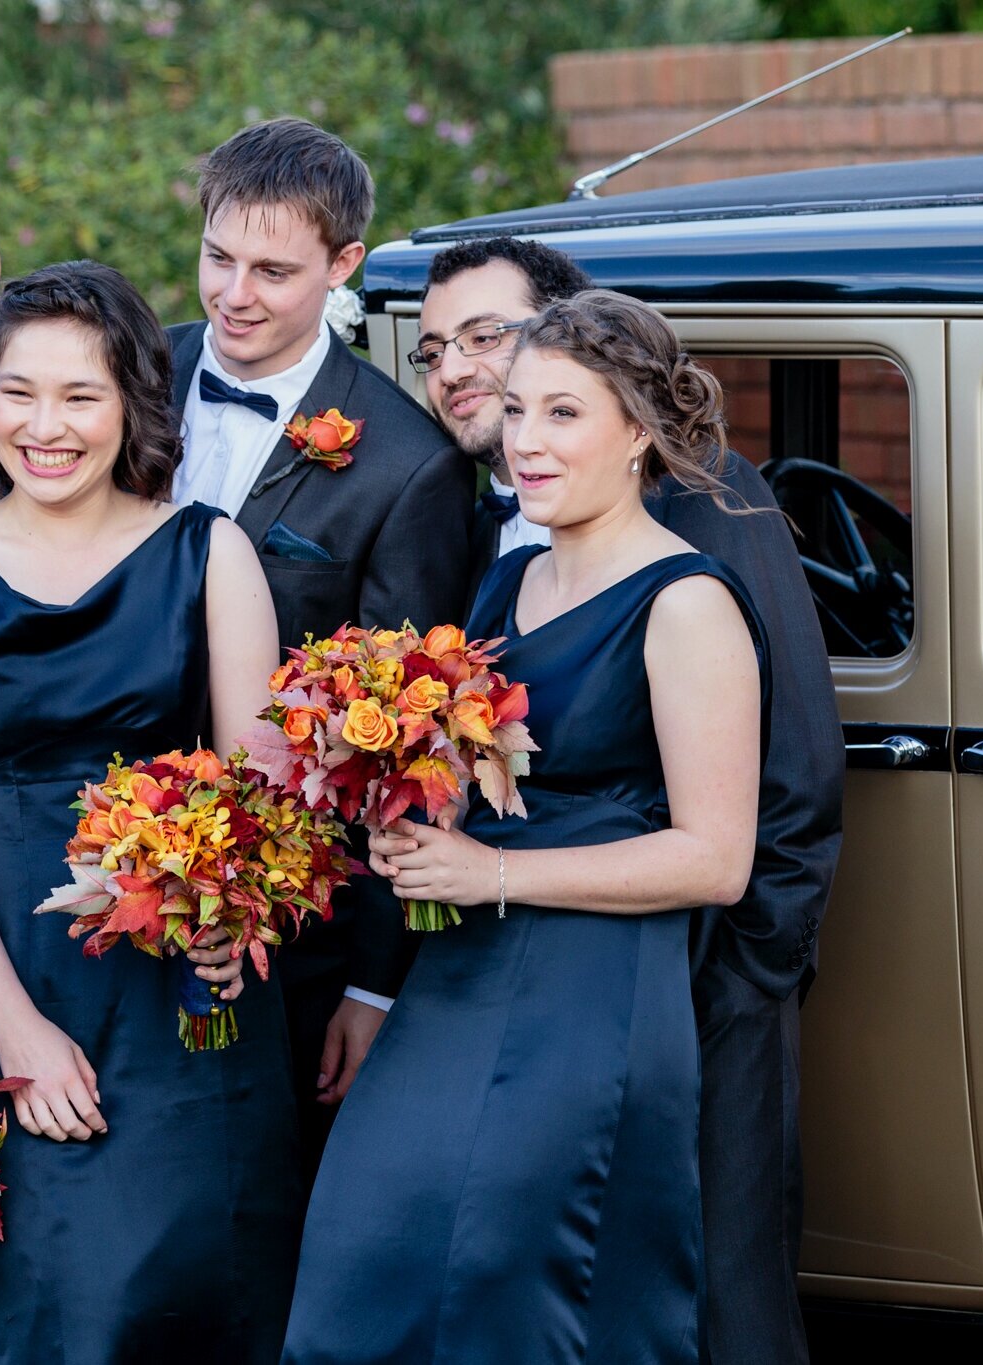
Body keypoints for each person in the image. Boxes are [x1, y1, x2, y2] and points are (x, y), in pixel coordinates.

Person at [284, 290, 769, 1364]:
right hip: (462, 969)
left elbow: (716, 857)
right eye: (515, 413)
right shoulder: (509, 578)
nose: (523, 442)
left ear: (637, 428)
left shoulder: (685, 604)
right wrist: (389, 787)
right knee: (366, 1249)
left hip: (587, 997)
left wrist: (487, 875)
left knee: (515, 1284)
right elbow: (488, 782)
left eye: (562, 414)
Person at [415, 236, 844, 1365]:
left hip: (695, 972)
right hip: (522, 970)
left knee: (707, 1276)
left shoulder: (706, 514)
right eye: (438, 350)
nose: (462, 373)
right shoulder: (495, 548)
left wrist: (744, 970)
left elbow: (790, 765)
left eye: (487, 338)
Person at [0, 261, 302, 1364]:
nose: (45, 426)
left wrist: (231, 913)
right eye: (19, 393)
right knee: (61, 1309)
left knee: (211, 1296)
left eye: (81, 396)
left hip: (184, 1001)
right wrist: (13, 1033)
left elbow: (253, 795)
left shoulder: (212, 552)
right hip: (13, 981)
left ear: (132, 407)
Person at [168, 118, 482, 1170]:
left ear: (344, 264)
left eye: (272, 269)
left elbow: (412, 758)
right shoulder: (123, 384)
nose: (233, 294)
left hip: (292, 920)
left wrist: (370, 981)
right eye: (217, 257)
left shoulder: (407, 465)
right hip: (97, 868)